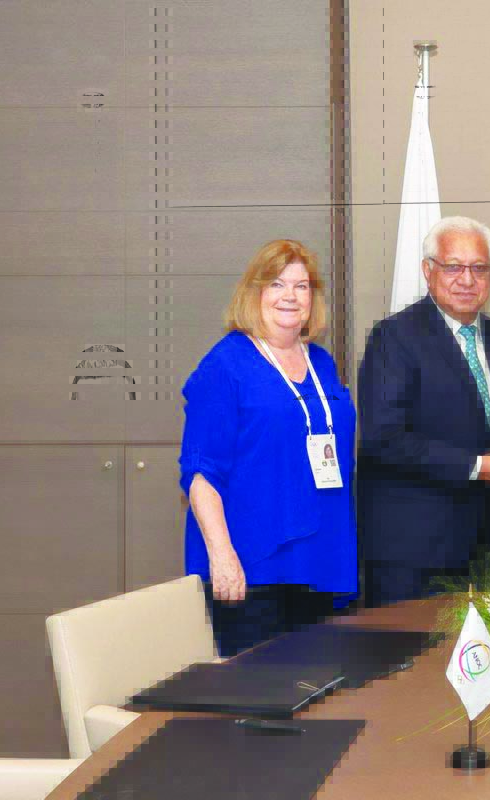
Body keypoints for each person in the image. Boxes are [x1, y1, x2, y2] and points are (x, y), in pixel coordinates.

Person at [179, 239, 357, 656]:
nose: (290, 296)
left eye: (301, 286)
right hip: (253, 565)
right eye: (277, 284)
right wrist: (222, 556)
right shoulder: (225, 364)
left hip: (321, 559)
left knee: (320, 686)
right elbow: (201, 473)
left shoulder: (321, 362)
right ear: (254, 293)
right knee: (259, 690)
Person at [356, 217, 490, 606]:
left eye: (479, 268)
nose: (467, 279)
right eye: (453, 267)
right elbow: (385, 438)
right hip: (411, 553)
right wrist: (477, 466)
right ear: (428, 270)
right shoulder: (394, 337)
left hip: (480, 548)